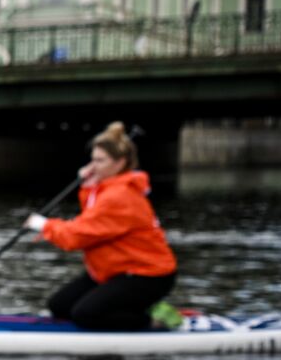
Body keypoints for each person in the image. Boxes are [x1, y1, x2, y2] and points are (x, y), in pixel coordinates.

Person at [26, 122, 180, 331]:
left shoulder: (120, 196)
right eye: (92, 159)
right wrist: (88, 187)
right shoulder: (106, 190)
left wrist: (45, 226)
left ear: (120, 163)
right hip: (113, 269)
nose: (93, 166)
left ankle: (152, 322)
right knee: (59, 306)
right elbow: (91, 221)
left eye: (100, 160)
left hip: (147, 275)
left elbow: (78, 237)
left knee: (85, 314)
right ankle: (130, 309)